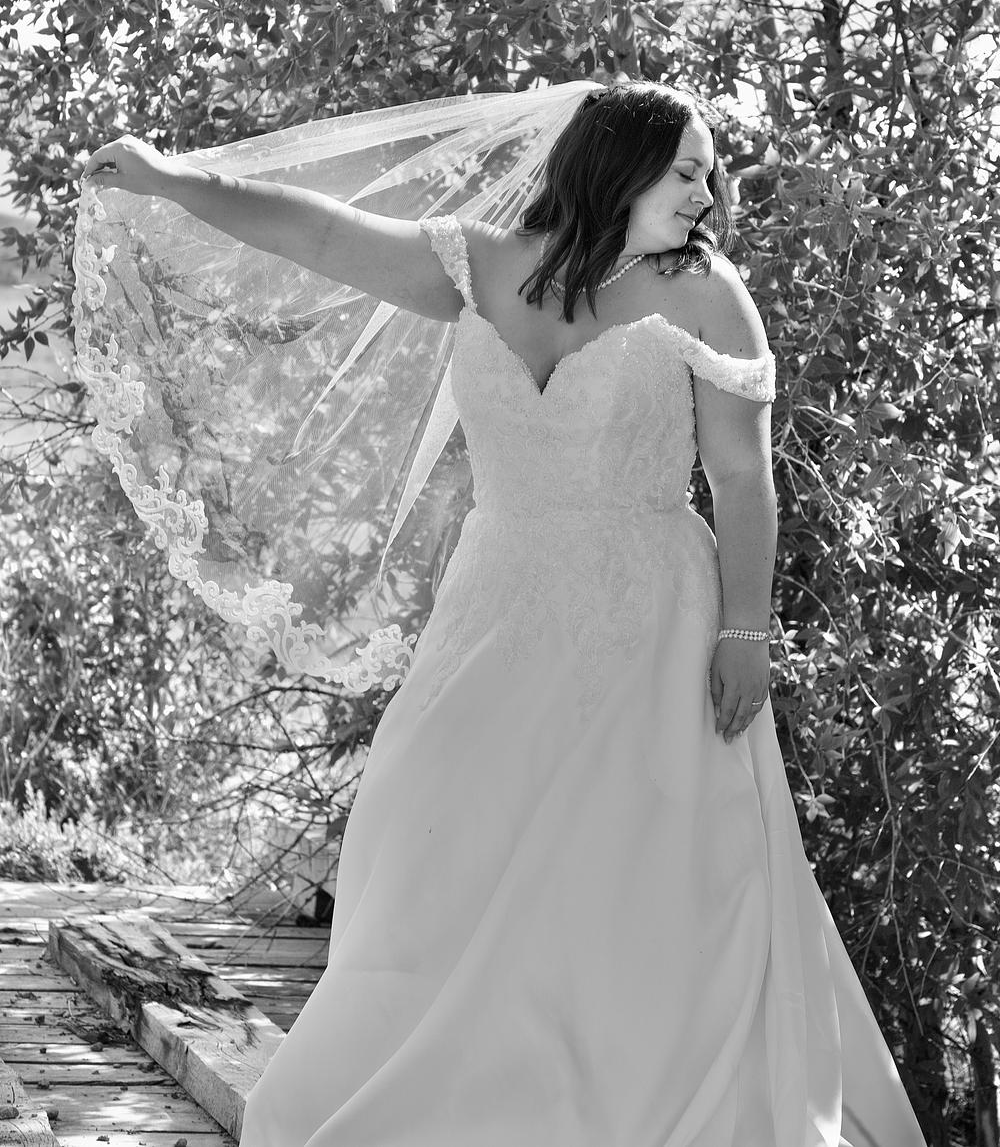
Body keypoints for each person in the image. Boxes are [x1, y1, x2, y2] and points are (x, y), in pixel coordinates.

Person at [81, 81, 927, 1147]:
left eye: (708, 174)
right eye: (686, 170)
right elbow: (319, 232)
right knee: (439, 839)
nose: (707, 194)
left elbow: (743, 480)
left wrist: (745, 635)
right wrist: (176, 178)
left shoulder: (706, 293)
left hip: (652, 622)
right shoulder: (476, 264)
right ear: (617, 166)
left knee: (636, 860)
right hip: (497, 607)